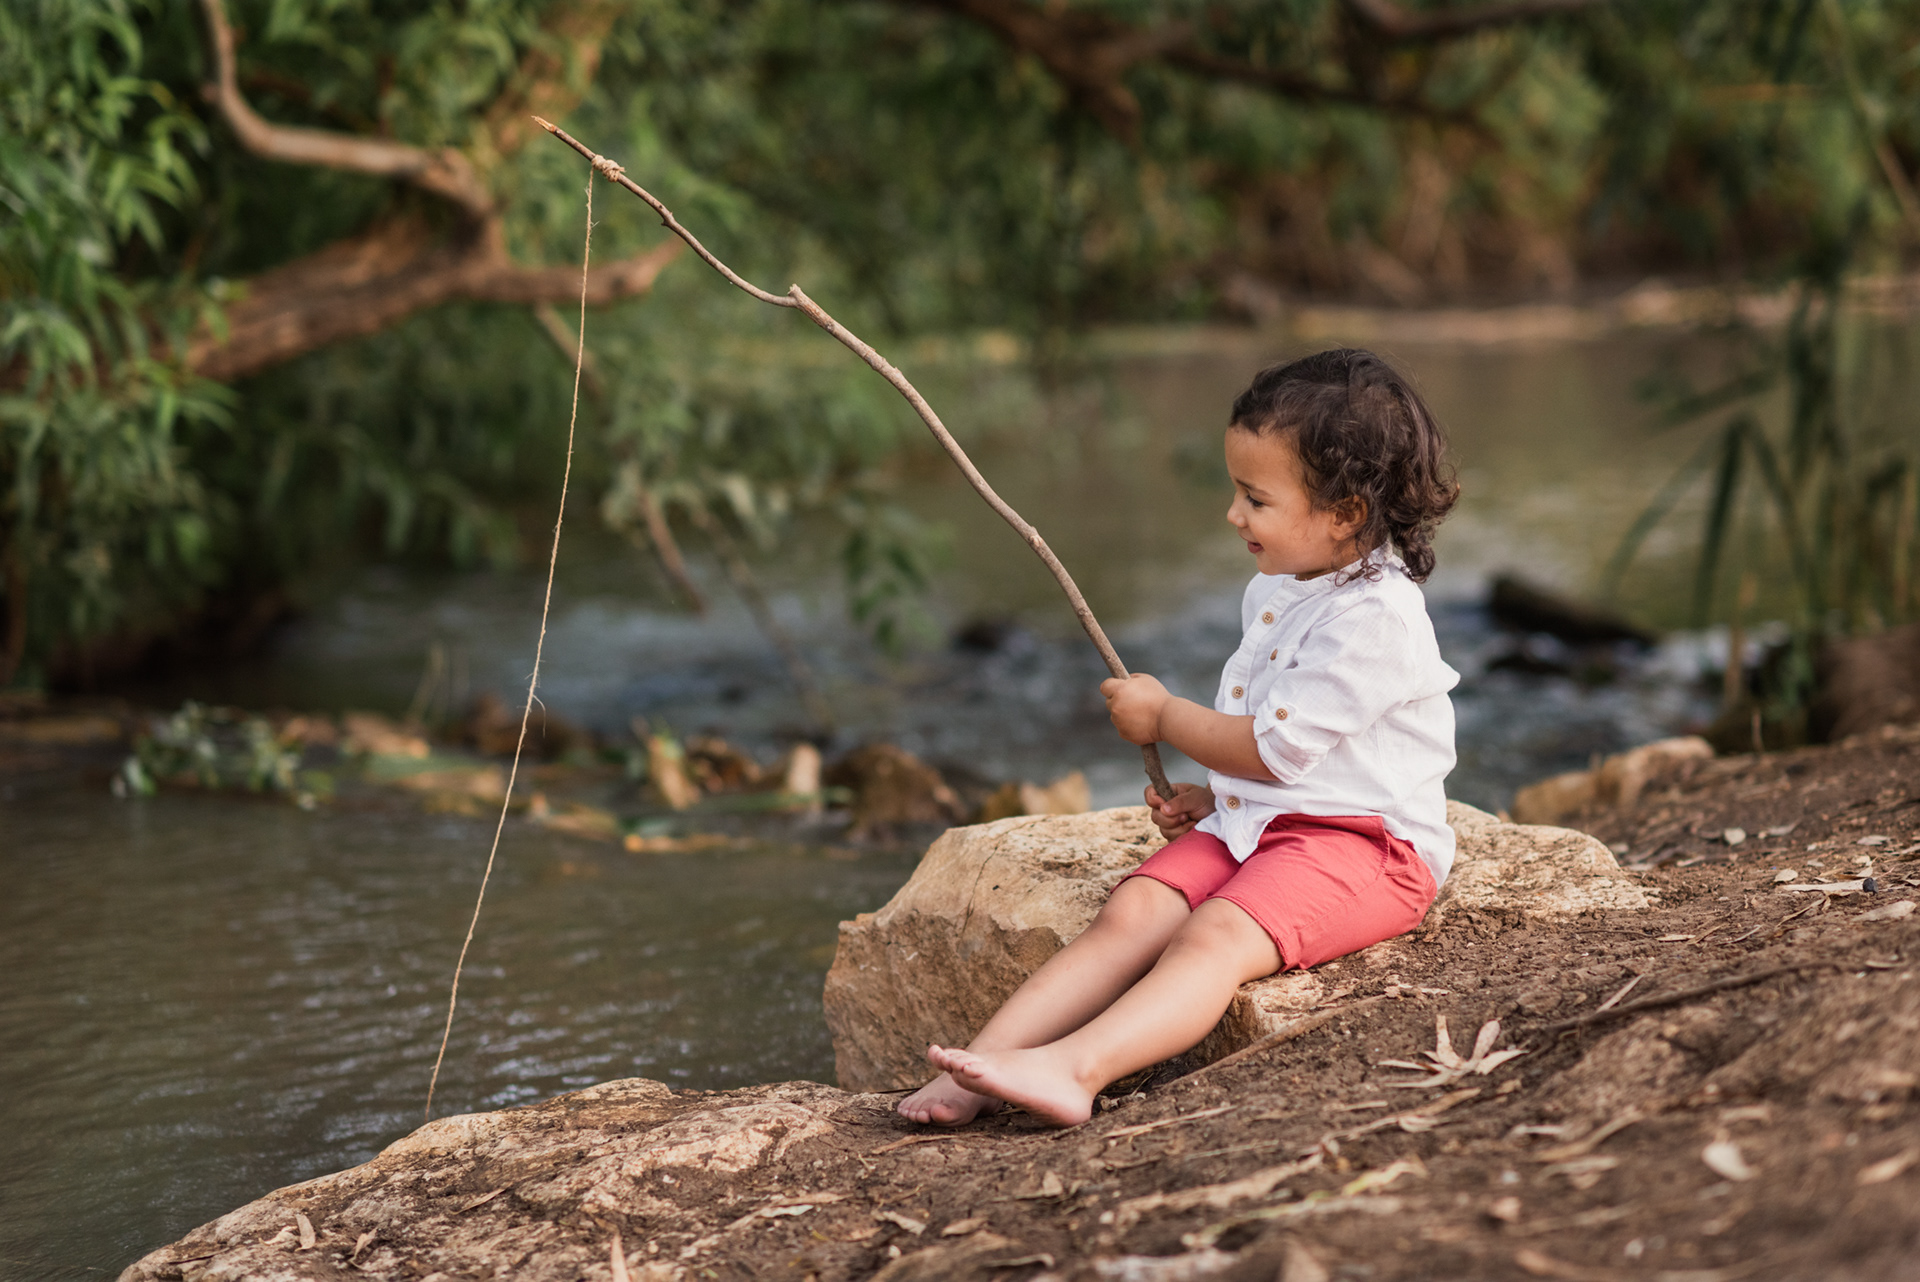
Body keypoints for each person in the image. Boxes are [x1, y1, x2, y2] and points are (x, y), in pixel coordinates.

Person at [897, 348, 1462, 1127]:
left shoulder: (1376, 618)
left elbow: (1273, 748)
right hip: (1270, 823)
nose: (1234, 515)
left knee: (1215, 934)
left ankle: (1074, 1068)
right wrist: (1219, 798)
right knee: (1133, 910)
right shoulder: (1282, 583)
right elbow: (1292, 749)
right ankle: (977, 1070)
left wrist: (1165, 716)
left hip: (1366, 848)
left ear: (1345, 514)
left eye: (1255, 499)